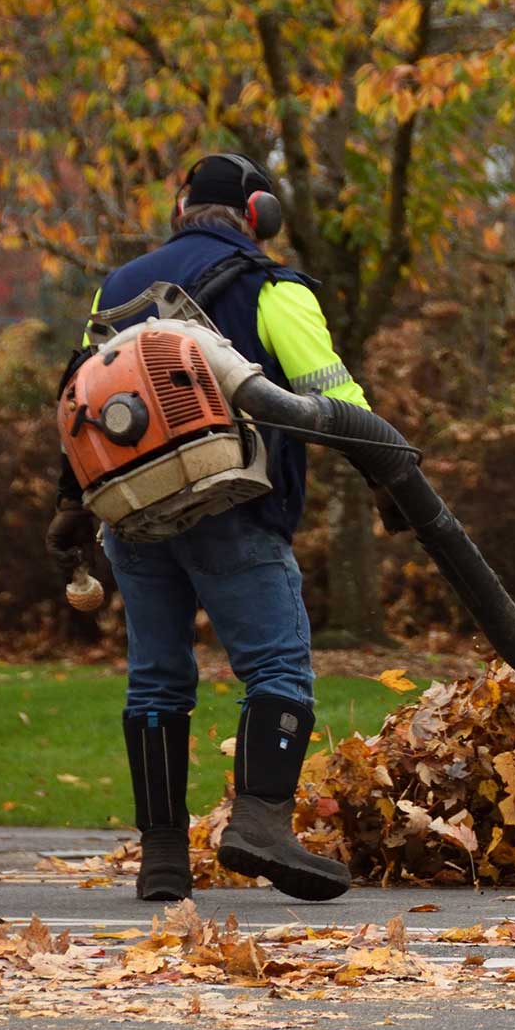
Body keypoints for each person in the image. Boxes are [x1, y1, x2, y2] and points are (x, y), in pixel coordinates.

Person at [45, 153, 402, 903]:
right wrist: (389, 473)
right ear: (258, 214)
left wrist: (71, 503)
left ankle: (163, 858)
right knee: (276, 668)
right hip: (234, 508)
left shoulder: (117, 288)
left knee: (156, 682)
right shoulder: (272, 287)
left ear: (180, 209)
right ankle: (261, 826)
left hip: (133, 515)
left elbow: (84, 397)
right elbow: (333, 395)